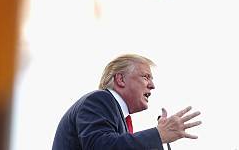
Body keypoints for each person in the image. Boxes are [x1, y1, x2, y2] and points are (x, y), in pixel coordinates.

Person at [51, 54, 201, 149]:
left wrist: (159, 140)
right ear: (121, 79)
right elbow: (99, 146)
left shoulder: (118, 116)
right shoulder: (99, 100)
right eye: (146, 77)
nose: (152, 85)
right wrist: (157, 135)